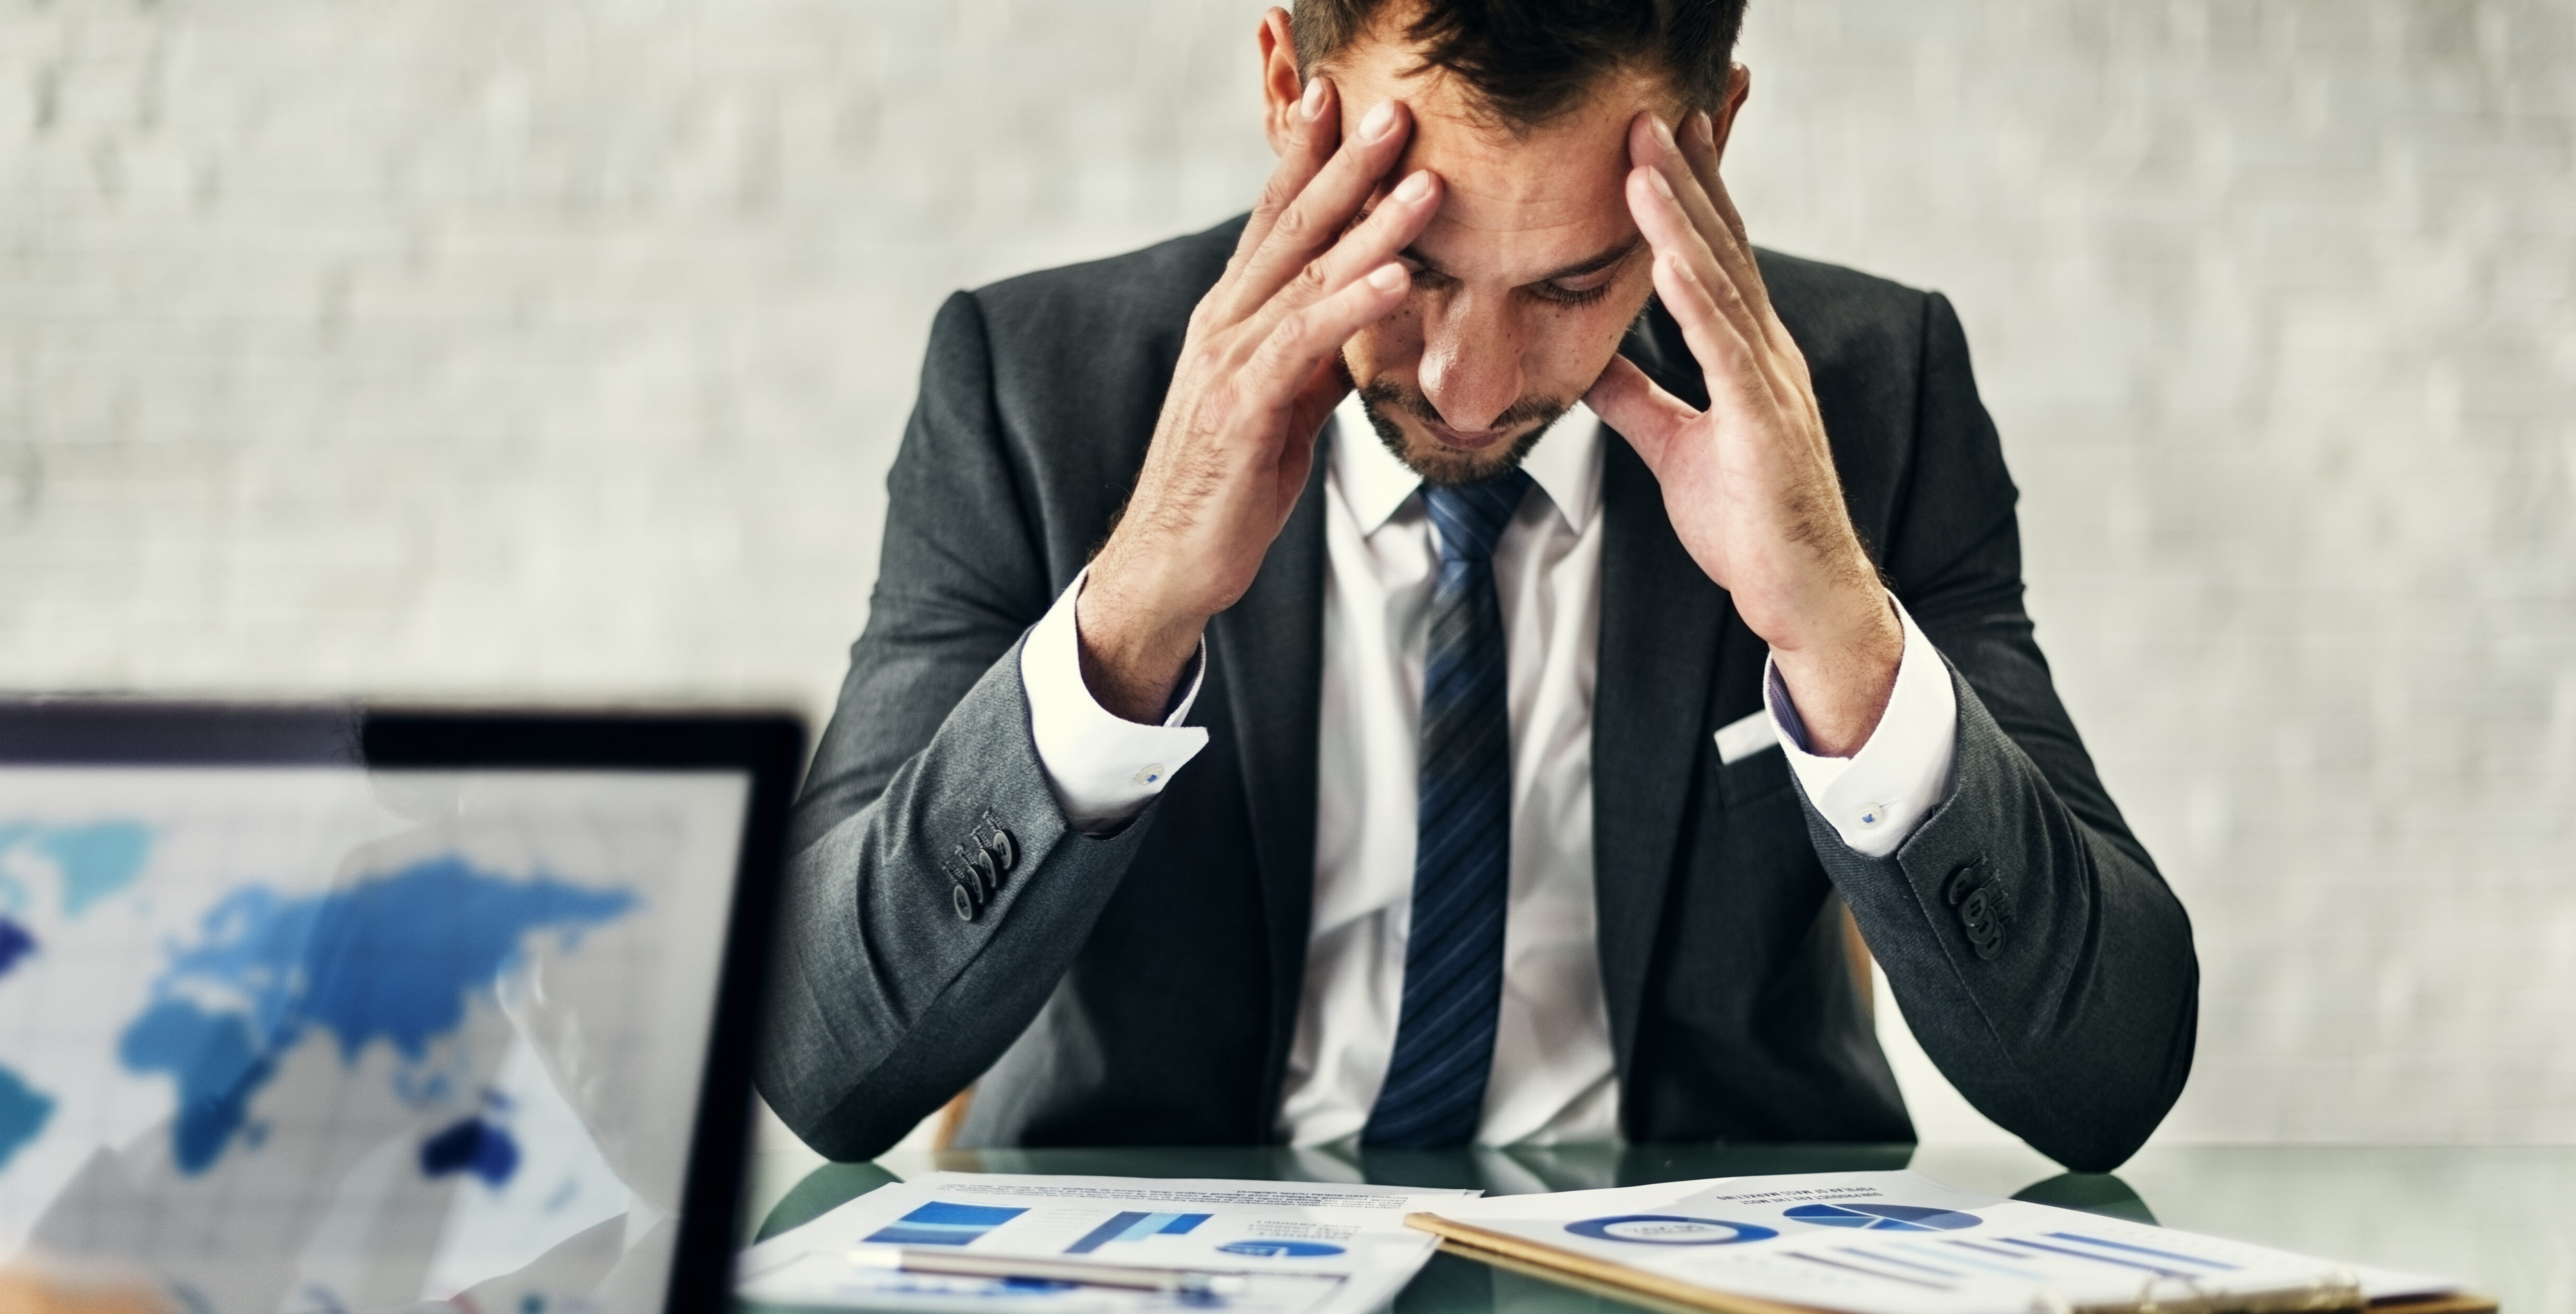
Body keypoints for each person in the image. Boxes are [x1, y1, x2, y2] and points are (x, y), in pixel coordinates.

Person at [757, 0, 2197, 1173]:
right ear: (1284, 86)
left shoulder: (1873, 396)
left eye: (1572, 286)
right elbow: (821, 1062)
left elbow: (2103, 1083)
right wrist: (1130, 614)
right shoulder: (1034, 391)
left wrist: (1836, 626)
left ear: (1711, 144)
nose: (1471, 383)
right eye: (1414, 263)